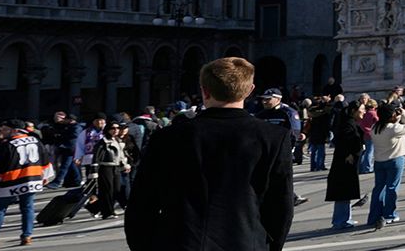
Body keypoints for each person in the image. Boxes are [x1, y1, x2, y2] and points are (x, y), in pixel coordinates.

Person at [125, 56, 296, 251]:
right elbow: (281, 207)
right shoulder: (273, 137)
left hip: (180, 243)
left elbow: (141, 205)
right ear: (249, 91)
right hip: (245, 242)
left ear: (205, 91)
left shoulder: (168, 137)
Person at [0, 121, 46, 250]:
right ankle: (27, 236)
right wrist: (45, 176)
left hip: (10, 181)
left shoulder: (5, 145)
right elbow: (45, 160)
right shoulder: (35, 141)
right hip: (31, 178)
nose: (1, 132)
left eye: (5, 129)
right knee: (27, 208)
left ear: (15, 130)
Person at [367, 101, 405, 229]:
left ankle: (374, 216)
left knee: (379, 188)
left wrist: (396, 118)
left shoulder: (375, 127)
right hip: (394, 160)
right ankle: (390, 214)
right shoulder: (393, 128)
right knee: (392, 187)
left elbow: (391, 126)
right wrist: (404, 114)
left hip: (379, 161)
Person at [326, 99, 367, 229]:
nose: (364, 112)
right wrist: (349, 153)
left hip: (346, 160)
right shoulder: (347, 124)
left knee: (345, 191)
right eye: (362, 109)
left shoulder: (349, 122)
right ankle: (340, 220)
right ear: (354, 111)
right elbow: (347, 140)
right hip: (344, 162)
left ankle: (344, 218)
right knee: (343, 190)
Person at [89, 121, 132, 218]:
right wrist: (94, 171)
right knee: (107, 190)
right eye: (113, 128)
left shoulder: (117, 140)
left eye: (117, 128)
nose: (116, 130)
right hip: (105, 167)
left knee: (116, 190)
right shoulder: (103, 141)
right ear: (108, 130)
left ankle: (94, 207)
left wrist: (125, 165)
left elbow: (121, 155)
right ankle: (108, 212)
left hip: (116, 167)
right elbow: (96, 157)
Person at [305, 95, 331, 172]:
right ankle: (320, 165)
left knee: (314, 150)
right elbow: (326, 121)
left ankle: (313, 166)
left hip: (313, 131)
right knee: (320, 150)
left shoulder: (312, 109)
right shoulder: (325, 110)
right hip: (321, 131)